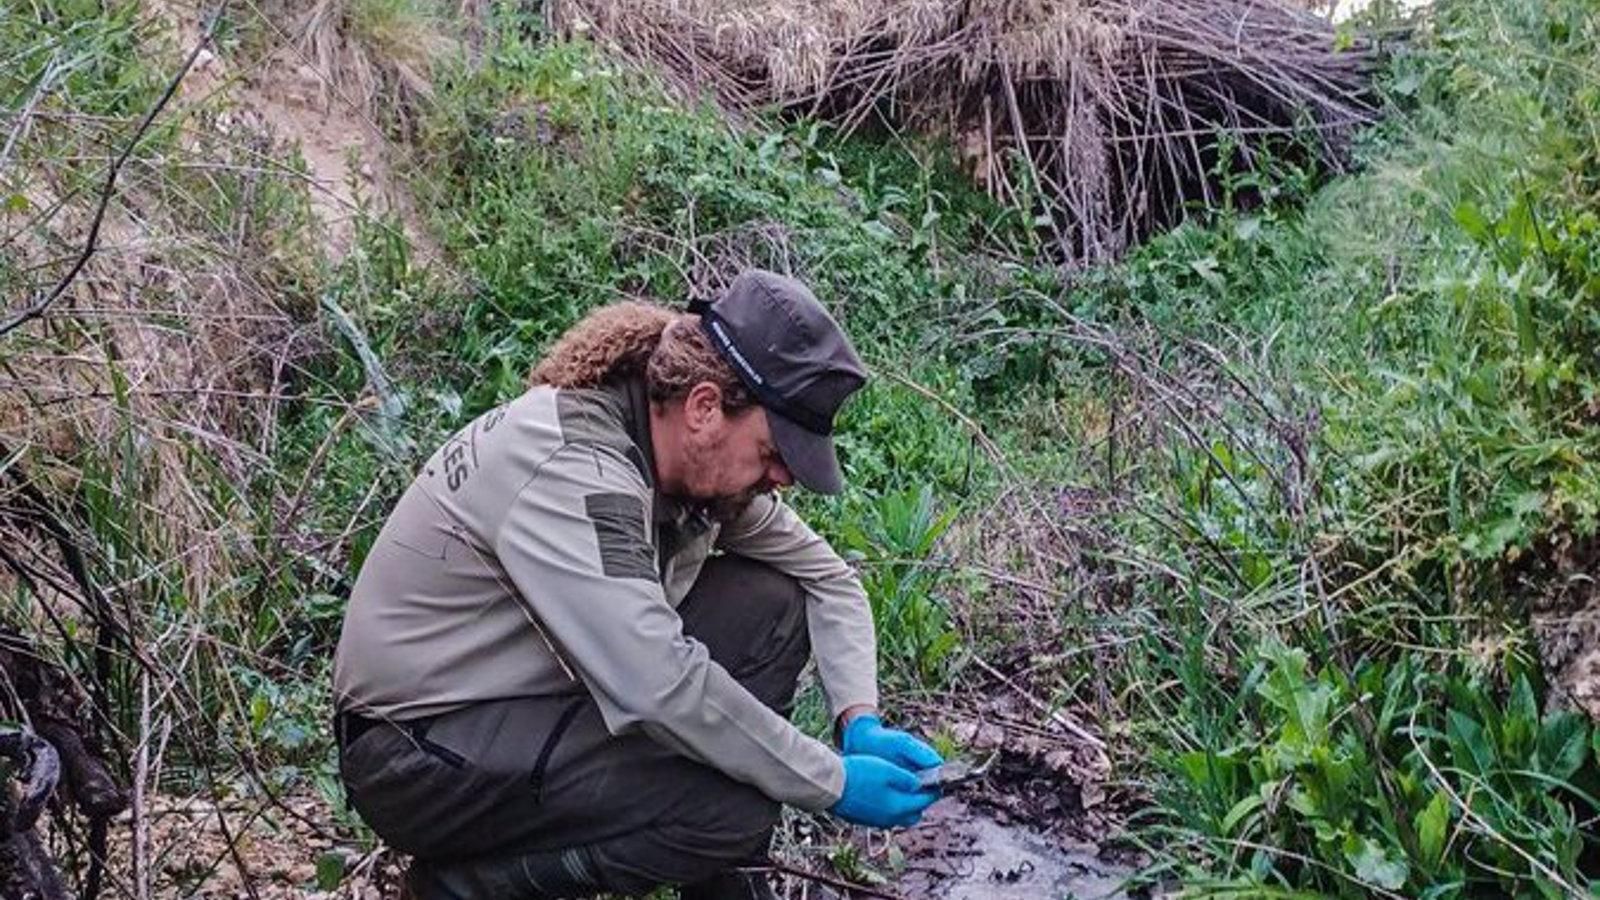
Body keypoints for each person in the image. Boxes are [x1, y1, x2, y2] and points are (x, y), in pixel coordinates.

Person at [332, 269, 943, 900]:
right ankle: (466, 887)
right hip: (416, 754)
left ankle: (729, 882)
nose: (782, 476)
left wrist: (857, 719)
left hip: (521, 707)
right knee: (731, 809)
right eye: (771, 452)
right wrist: (832, 781)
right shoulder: (577, 467)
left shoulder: (692, 464)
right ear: (705, 407)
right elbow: (657, 685)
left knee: (769, 603)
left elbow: (826, 580)